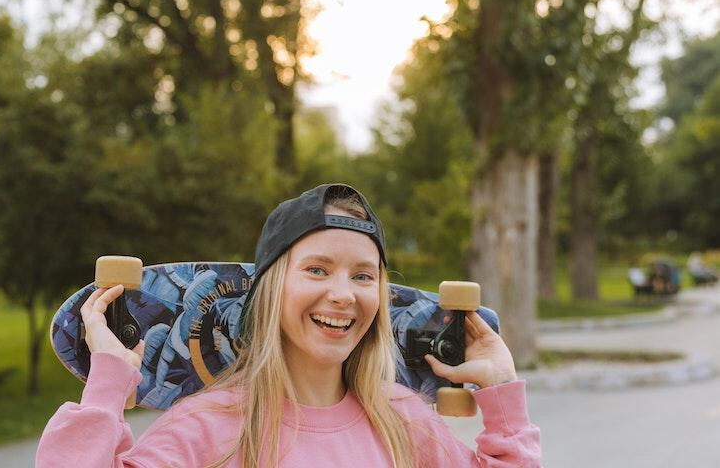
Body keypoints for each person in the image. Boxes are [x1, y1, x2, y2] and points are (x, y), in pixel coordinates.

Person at [36, 184, 541, 467]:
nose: (343, 294)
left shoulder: (402, 422)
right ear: (272, 289)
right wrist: (107, 386)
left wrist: (502, 397)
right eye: (317, 270)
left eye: (363, 276)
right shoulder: (209, 429)